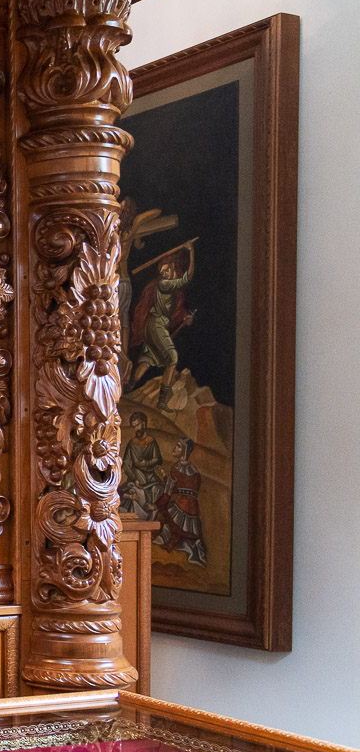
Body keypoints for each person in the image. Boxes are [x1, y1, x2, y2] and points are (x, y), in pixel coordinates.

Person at [129, 240, 196, 411]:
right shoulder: (164, 283)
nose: (164, 273)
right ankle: (161, 401)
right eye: (163, 271)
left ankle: (127, 389)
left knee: (148, 359)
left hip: (155, 325)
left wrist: (185, 317)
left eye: (167, 270)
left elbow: (174, 310)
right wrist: (191, 252)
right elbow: (188, 277)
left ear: (174, 268)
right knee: (172, 358)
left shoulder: (169, 287)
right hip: (156, 325)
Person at [155, 437, 207, 566]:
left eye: (178, 446)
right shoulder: (195, 472)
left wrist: (156, 505)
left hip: (180, 506)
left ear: (184, 451)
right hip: (193, 509)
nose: (174, 448)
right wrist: (165, 477)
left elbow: (168, 492)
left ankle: (167, 541)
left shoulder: (175, 469)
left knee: (162, 512)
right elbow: (182, 489)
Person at [119, 410, 165, 521]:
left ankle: (152, 521)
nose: (136, 429)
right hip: (136, 476)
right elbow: (126, 464)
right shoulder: (132, 444)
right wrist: (134, 478)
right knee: (129, 492)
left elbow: (158, 459)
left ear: (144, 424)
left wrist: (146, 463)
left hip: (151, 477)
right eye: (134, 426)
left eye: (138, 425)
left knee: (158, 489)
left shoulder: (151, 442)